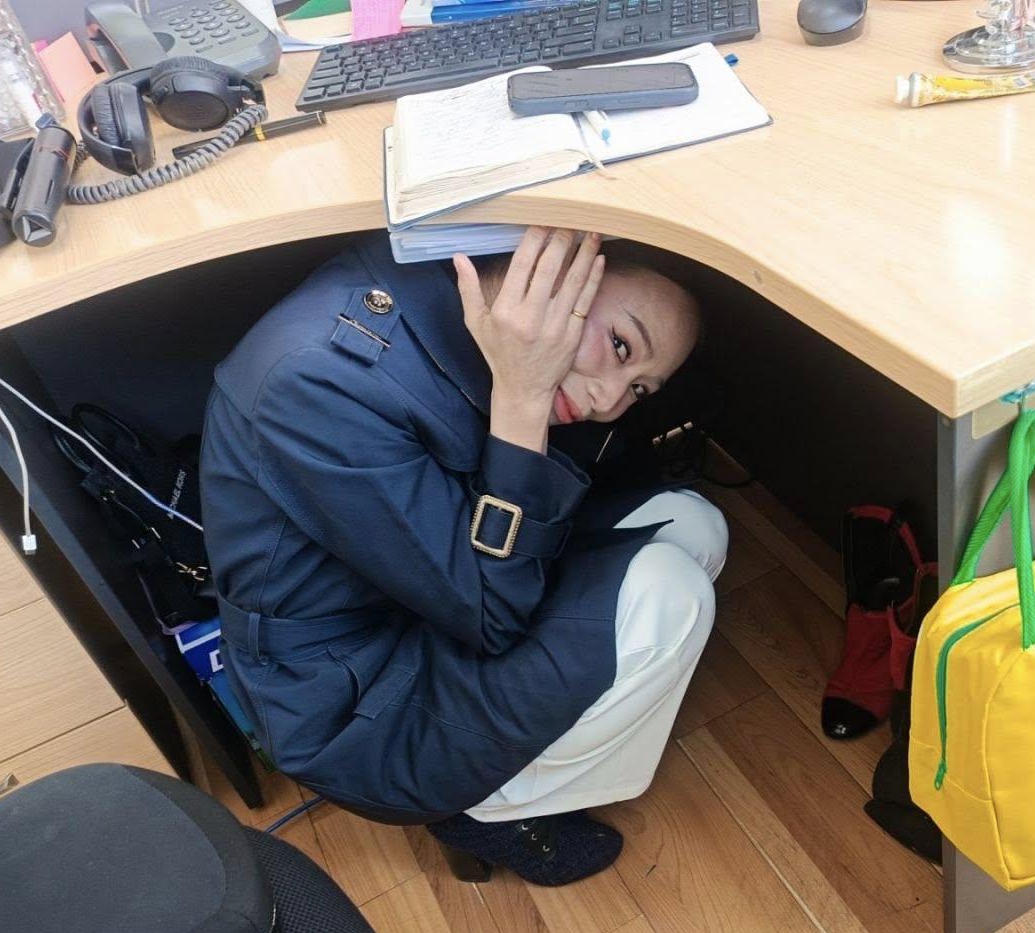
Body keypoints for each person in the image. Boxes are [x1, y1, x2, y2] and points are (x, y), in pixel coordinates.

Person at [199, 227, 725, 886]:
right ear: (555, 255)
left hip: (435, 600)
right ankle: (490, 810)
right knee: (670, 593)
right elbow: (491, 618)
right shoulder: (320, 382)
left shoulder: (457, 288)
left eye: (639, 389)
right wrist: (523, 399)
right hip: (353, 702)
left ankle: (519, 772)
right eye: (620, 345)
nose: (609, 401)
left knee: (694, 527)